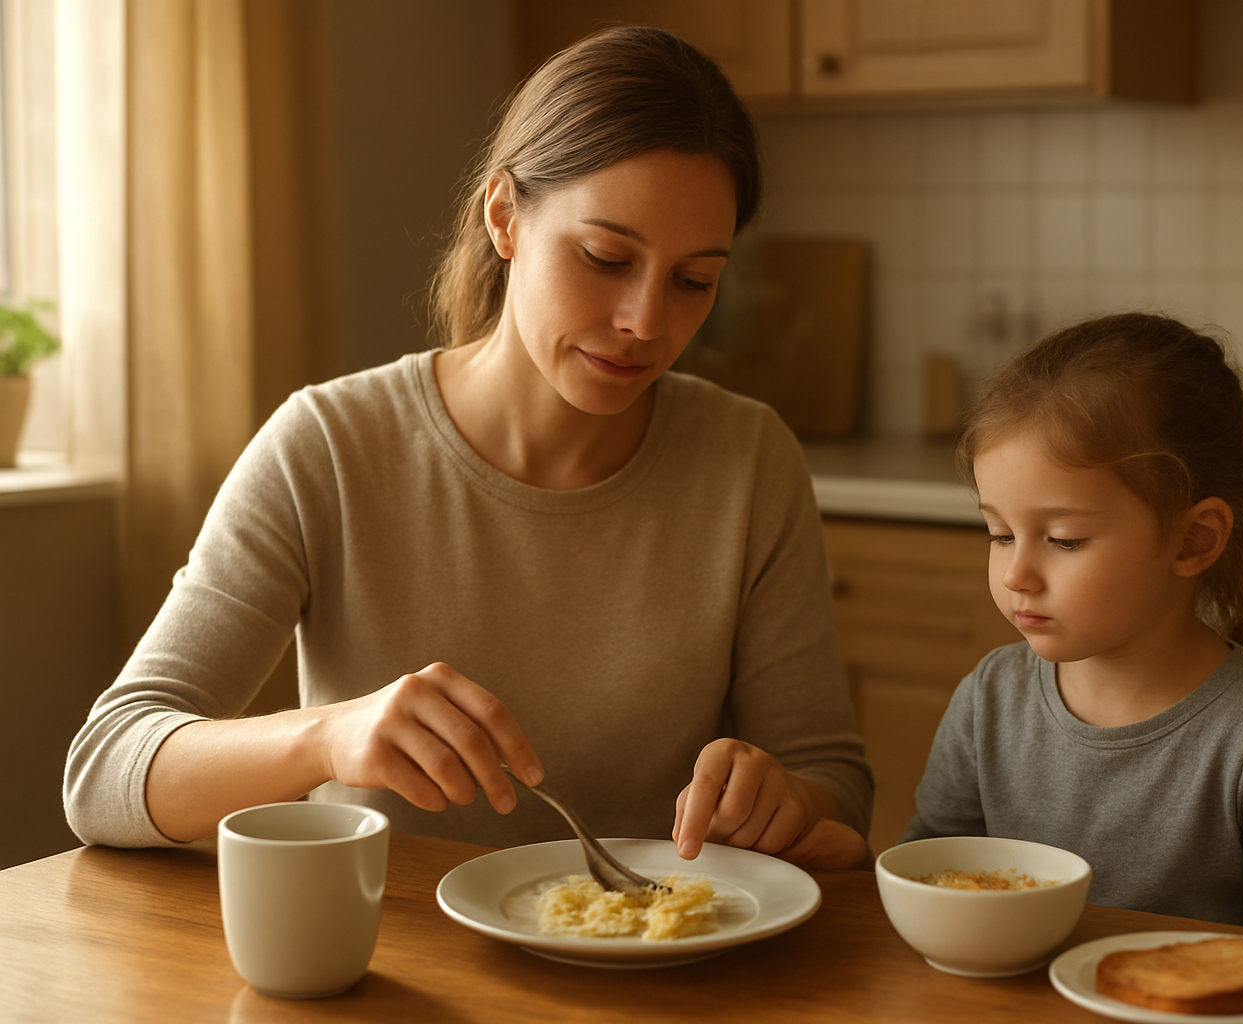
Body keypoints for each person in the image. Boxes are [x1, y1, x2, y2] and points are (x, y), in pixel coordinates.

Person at [64, 26, 872, 871]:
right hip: (394, 969)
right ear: (504, 217)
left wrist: (781, 798)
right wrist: (326, 737)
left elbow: (837, 787)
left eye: (693, 280)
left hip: (657, 973)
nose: (647, 322)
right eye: (604, 257)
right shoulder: (330, 447)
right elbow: (104, 771)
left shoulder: (749, 461)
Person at [904, 312, 1243, 941]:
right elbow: (929, 883)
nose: (1016, 573)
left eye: (1064, 540)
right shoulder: (989, 700)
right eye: (1000, 534)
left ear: (1192, 541)